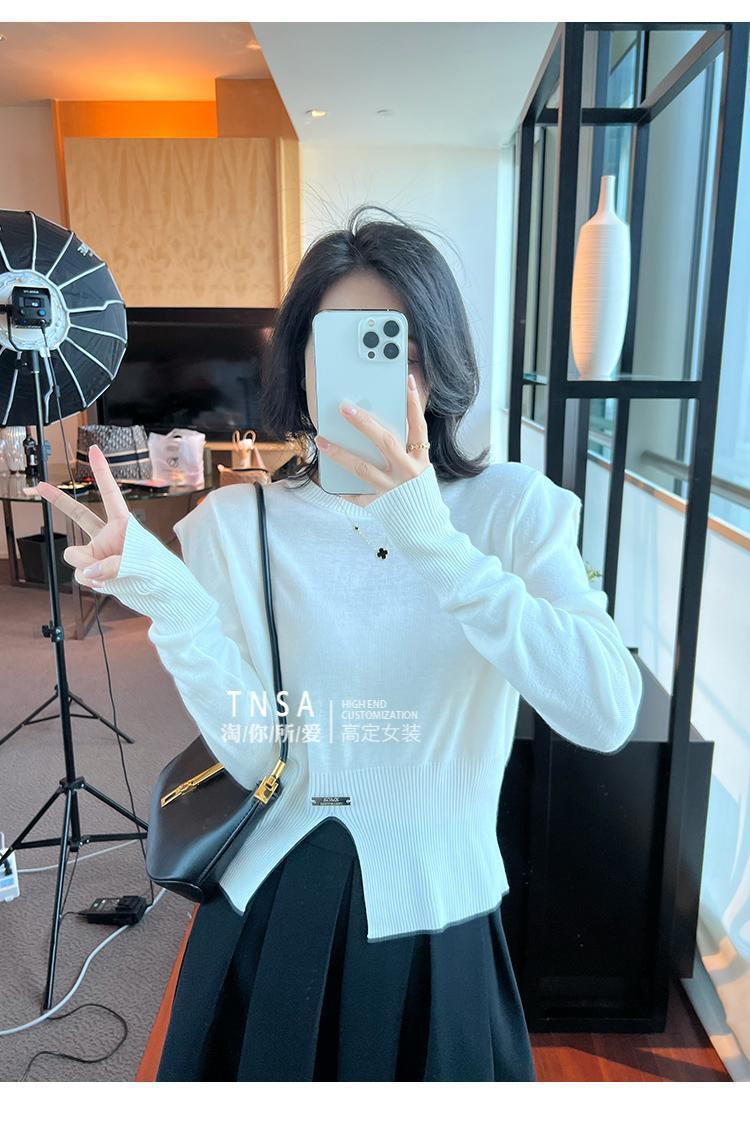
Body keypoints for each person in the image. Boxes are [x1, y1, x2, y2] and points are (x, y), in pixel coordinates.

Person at [38, 204, 643, 1082]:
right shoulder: (236, 523)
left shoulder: (513, 511)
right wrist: (169, 598)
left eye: (395, 344)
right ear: (300, 364)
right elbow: (256, 753)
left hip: (439, 912)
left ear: (439, 362)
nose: (369, 372)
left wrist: (431, 538)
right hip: (275, 907)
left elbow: (604, 712)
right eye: (339, 342)